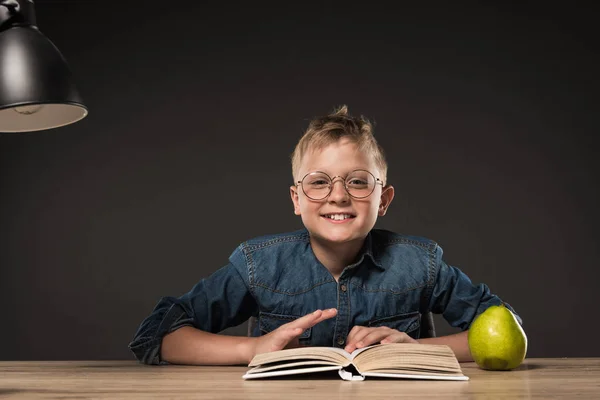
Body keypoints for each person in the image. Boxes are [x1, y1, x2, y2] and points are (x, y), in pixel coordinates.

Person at [129, 105, 522, 365]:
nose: (338, 195)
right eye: (319, 182)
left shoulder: (420, 263)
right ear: (296, 199)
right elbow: (158, 335)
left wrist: (417, 349)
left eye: (357, 181)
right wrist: (252, 349)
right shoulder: (257, 263)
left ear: (383, 200)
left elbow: (506, 330)